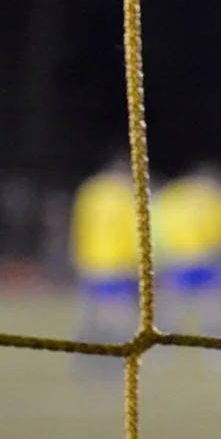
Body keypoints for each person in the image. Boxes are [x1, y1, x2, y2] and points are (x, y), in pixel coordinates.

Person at [155, 164, 221, 364]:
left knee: (214, 307)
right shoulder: (177, 196)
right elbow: (160, 223)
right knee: (172, 307)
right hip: (182, 258)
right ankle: (163, 348)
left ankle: (218, 351)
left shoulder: (217, 199)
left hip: (207, 258)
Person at [70, 154, 141, 378]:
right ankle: (110, 365)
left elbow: (78, 226)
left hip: (92, 263)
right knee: (118, 318)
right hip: (118, 266)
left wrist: (77, 256)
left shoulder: (90, 191)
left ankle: (84, 361)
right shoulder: (127, 195)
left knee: (91, 315)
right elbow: (134, 232)